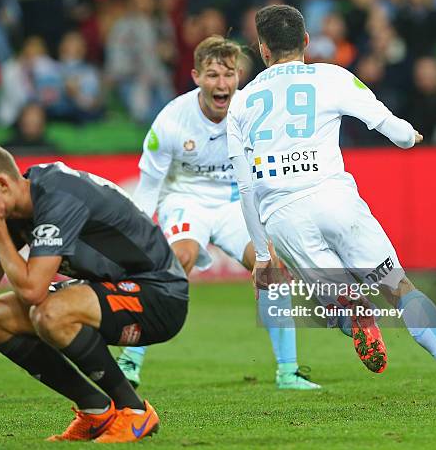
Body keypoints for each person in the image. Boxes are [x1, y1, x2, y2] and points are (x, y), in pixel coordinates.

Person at [227, 5, 436, 404]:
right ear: (305, 41)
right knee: (399, 287)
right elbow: (393, 128)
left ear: (262, 49)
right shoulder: (331, 76)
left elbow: (244, 186)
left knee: (333, 302)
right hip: (334, 198)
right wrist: (409, 135)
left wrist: (264, 255)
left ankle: (353, 312)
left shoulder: (242, 102)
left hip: (283, 217)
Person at [0, 141, 189, 442]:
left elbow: (33, 291)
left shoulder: (58, 195)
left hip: (160, 295)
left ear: (1, 184)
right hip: (107, 291)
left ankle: (135, 412)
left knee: (50, 312)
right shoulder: (15, 205)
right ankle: (96, 412)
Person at [117, 35, 321, 391]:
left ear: (239, 76)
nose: (221, 84)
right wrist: (134, 237)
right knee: (179, 258)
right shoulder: (171, 121)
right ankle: (131, 360)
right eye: (212, 75)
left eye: (228, 75)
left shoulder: (254, 114)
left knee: (270, 269)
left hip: (233, 204)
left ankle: (288, 372)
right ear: (196, 76)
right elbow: (149, 188)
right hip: (185, 200)